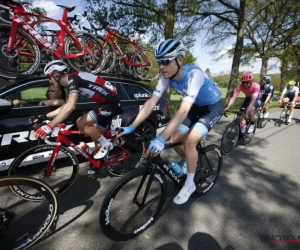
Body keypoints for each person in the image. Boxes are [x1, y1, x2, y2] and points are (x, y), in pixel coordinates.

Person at [117, 39, 223, 205]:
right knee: (174, 140)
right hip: (195, 107)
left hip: (212, 108)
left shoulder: (195, 75)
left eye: (165, 62)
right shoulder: (166, 76)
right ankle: (191, 162)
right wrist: (132, 125)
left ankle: (189, 185)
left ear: (180, 60)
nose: (161, 66)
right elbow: (151, 102)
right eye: (159, 62)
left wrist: (160, 139)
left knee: (188, 141)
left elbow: (183, 110)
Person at [34, 60, 122, 159]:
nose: (50, 81)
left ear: (56, 74)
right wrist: (45, 116)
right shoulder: (71, 81)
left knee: (81, 122)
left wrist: (50, 126)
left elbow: (71, 106)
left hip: (111, 104)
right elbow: (66, 106)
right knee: (95, 136)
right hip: (105, 103)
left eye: (49, 77)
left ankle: (107, 144)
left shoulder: (73, 79)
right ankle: (99, 163)